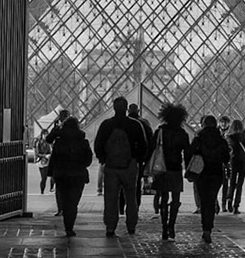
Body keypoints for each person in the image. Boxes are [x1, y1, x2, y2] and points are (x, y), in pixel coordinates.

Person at [93, 98, 150, 237]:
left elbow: (98, 144)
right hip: (129, 166)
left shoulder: (106, 125)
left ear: (113, 108)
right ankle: (131, 226)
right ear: (126, 108)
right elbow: (144, 145)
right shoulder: (135, 125)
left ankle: (110, 227)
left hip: (111, 166)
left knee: (111, 198)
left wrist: (104, 159)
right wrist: (137, 160)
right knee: (131, 197)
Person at [151, 102, 192, 240]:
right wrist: (189, 170)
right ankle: (171, 226)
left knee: (163, 197)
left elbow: (152, 149)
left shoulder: (160, 131)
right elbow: (187, 154)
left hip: (162, 168)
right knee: (176, 198)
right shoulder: (182, 134)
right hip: (176, 168)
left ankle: (163, 227)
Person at [47, 116, 93, 236]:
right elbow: (88, 160)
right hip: (78, 175)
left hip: (61, 175)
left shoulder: (59, 142)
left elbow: (49, 144)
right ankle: (70, 226)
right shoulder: (83, 142)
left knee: (64, 199)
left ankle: (67, 224)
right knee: (73, 202)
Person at [189, 114, 232, 242]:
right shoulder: (221, 140)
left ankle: (205, 227)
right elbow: (226, 158)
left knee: (203, 201)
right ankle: (209, 227)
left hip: (201, 172)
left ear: (204, 124)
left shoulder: (199, 139)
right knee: (211, 199)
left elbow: (190, 153)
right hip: (216, 173)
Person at [226, 119, 245, 211]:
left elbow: (226, 150)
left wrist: (226, 162)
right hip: (243, 162)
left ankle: (229, 198)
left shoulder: (229, 136)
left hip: (233, 161)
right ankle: (236, 205)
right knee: (240, 184)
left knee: (232, 182)